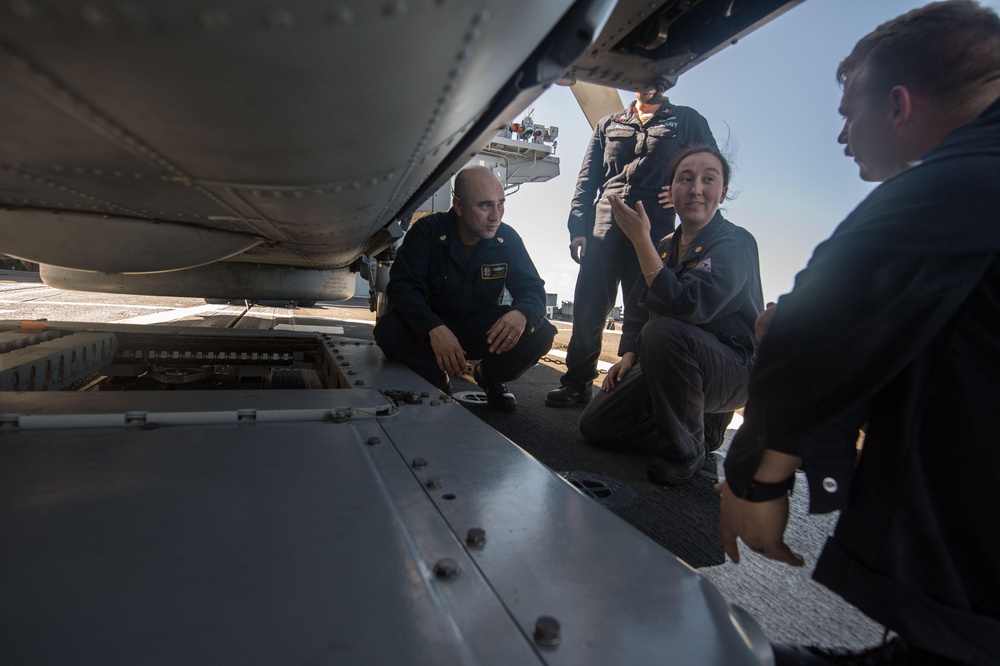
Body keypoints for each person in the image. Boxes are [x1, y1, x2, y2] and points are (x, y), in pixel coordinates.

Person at [717, 2, 1000, 664]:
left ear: (898, 105)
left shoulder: (964, 180)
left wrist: (756, 478)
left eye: (849, 112)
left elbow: (819, 316)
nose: (843, 133)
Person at [578, 145, 763, 485]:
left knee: (663, 331)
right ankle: (689, 429)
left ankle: (688, 450)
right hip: (673, 360)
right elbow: (637, 309)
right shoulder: (664, 245)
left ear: (722, 193)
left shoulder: (734, 243)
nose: (696, 189)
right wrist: (630, 354)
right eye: (685, 179)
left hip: (732, 368)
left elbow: (690, 306)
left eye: (709, 180)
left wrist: (640, 243)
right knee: (596, 426)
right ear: (670, 192)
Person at [545, 88, 717, 409]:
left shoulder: (688, 121)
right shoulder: (609, 124)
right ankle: (577, 384)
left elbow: (712, 168)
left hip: (655, 224)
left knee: (644, 307)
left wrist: (680, 194)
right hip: (604, 221)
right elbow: (587, 179)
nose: (649, 85)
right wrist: (578, 229)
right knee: (589, 307)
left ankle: (634, 391)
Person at [374, 166, 556, 411]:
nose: (496, 215)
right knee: (388, 330)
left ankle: (490, 377)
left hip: (482, 330)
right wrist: (432, 328)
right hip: (433, 330)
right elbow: (403, 287)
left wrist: (521, 313)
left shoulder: (507, 239)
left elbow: (533, 289)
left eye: (500, 204)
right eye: (485, 206)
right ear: (458, 206)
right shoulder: (427, 232)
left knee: (542, 332)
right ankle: (438, 376)